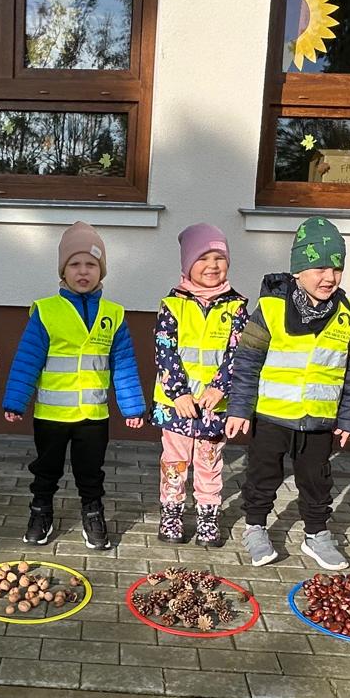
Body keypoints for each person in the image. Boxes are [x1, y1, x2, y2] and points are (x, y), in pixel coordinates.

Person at [226, 216, 350, 569]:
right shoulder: (271, 309)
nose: (329, 277)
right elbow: (247, 361)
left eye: (336, 268)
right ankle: (255, 527)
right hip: (271, 417)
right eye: (319, 268)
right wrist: (239, 408)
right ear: (298, 271)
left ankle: (317, 534)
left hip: (319, 421)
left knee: (317, 480)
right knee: (262, 476)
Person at [2, 221, 145, 549]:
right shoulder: (46, 311)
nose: (83, 271)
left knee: (91, 470)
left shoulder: (114, 314)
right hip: (51, 416)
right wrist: (15, 401)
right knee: (46, 468)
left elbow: (123, 363)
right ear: (63, 271)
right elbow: (28, 359)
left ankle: (93, 512)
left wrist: (133, 407)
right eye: (75, 264)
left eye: (91, 264)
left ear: (101, 270)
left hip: (93, 416)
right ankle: (41, 511)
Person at [151, 223, 247, 547]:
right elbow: (165, 350)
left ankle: (208, 517)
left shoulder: (236, 306)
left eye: (219, 258)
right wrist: (178, 393)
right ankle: (172, 514)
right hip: (176, 406)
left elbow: (238, 352)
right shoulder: (173, 304)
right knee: (174, 463)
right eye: (203, 258)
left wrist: (220, 387)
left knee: (209, 463)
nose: (212, 265)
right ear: (187, 264)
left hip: (213, 407)